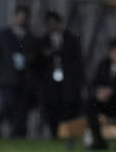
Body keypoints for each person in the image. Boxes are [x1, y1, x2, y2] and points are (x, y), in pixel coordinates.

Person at [0, 5, 37, 138]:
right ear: (14, 17)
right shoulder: (4, 35)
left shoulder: (29, 37)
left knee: (21, 109)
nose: (21, 20)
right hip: (8, 79)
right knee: (8, 103)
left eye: (24, 18)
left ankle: (17, 134)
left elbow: (35, 57)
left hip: (24, 79)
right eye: (19, 17)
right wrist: (0, 74)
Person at [36, 10, 84, 139]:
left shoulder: (71, 39)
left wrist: (79, 79)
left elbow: (77, 60)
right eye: (49, 23)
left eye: (54, 22)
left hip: (68, 79)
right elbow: (37, 63)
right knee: (52, 106)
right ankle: (54, 133)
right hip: (50, 81)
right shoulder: (42, 41)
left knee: (69, 105)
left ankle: (69, 133)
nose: (52, 25)